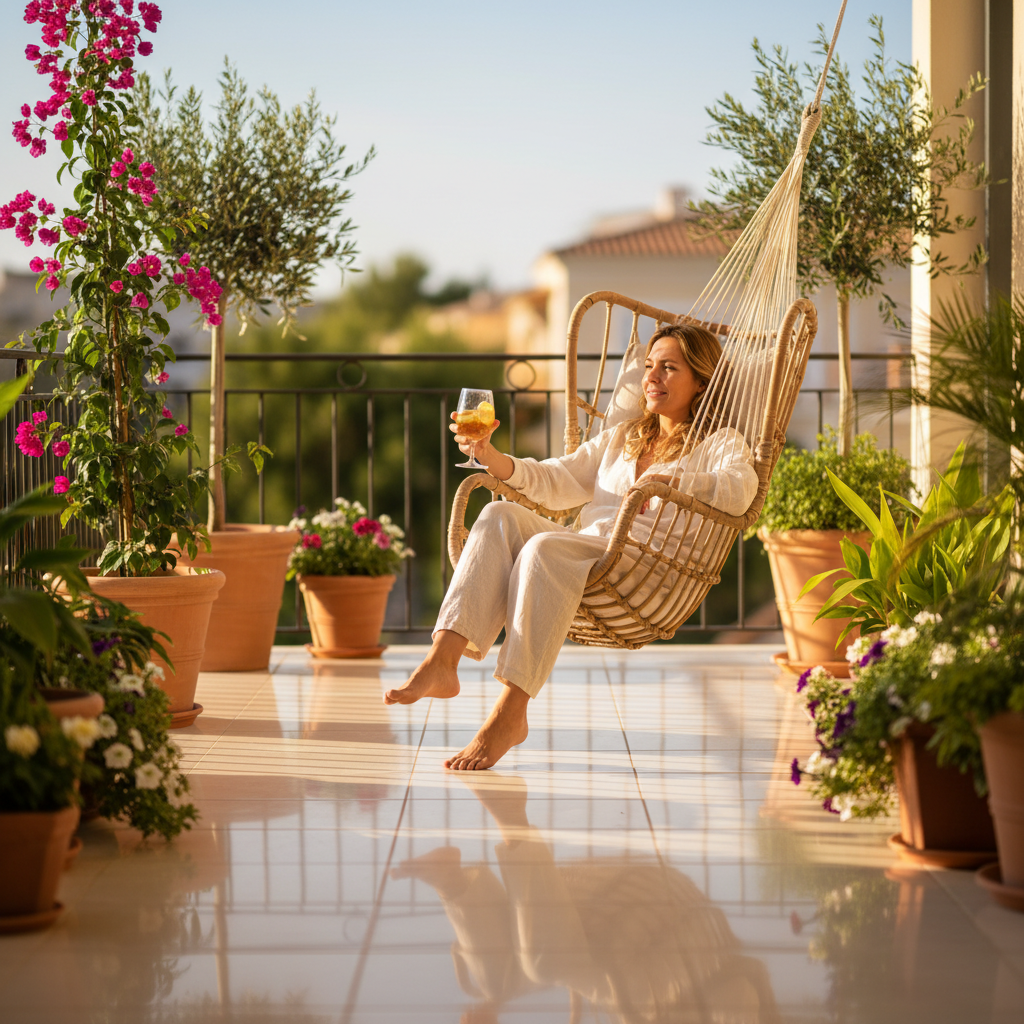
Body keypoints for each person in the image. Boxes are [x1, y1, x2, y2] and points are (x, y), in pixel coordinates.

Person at [384, 324, 758, 770]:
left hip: (645, 566)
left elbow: (741, 490)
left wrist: (675, 478)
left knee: (543, 548)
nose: (652, 376)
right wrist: (490, 455)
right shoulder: (623, 437)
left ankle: (510, 713)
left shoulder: (719, 443)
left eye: (669, 367)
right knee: (498, 515)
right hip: (587, 550)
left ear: (701, 381)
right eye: (649, 365)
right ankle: (442, 661)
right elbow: (556, 480)